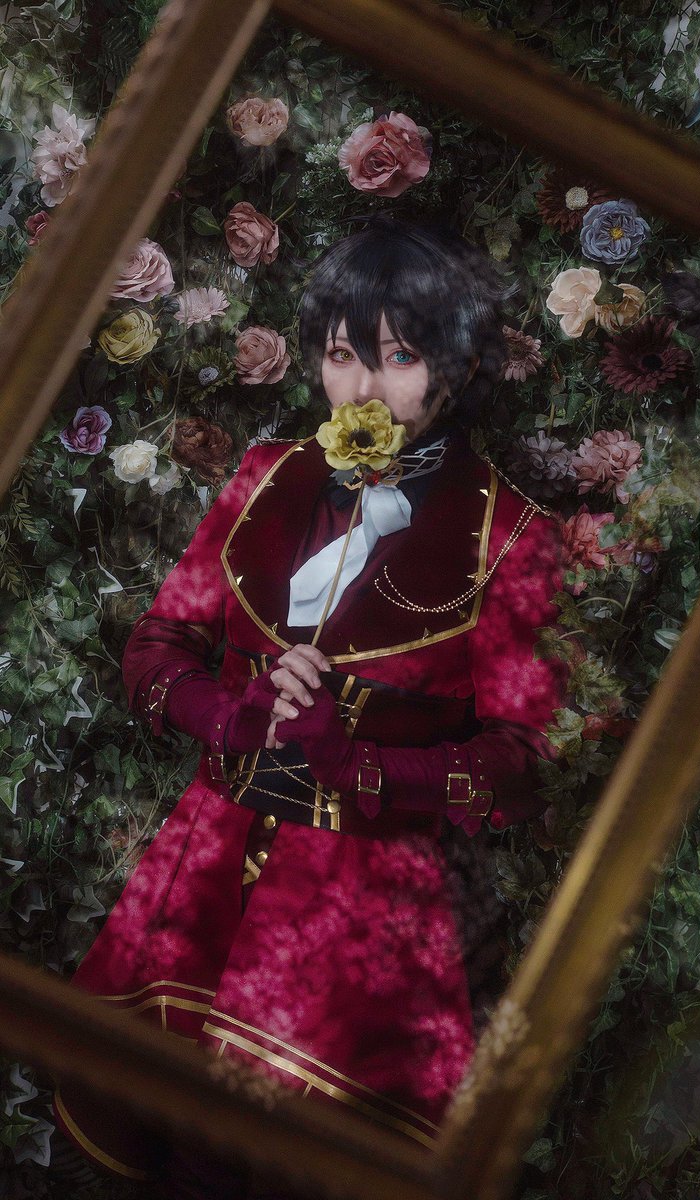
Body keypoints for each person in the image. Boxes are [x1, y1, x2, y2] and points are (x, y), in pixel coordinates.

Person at [53, 215, 566, 1197]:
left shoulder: (511, 536)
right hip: (205, 861)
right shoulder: (265, 476)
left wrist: (360, 761)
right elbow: (159, 646)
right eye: (341, 356)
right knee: (156, 1131)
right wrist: (227, 715)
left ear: (458, 368)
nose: (364, 390)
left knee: (261, 1164)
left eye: (400, 357)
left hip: (355, 910)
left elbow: (523, 763)